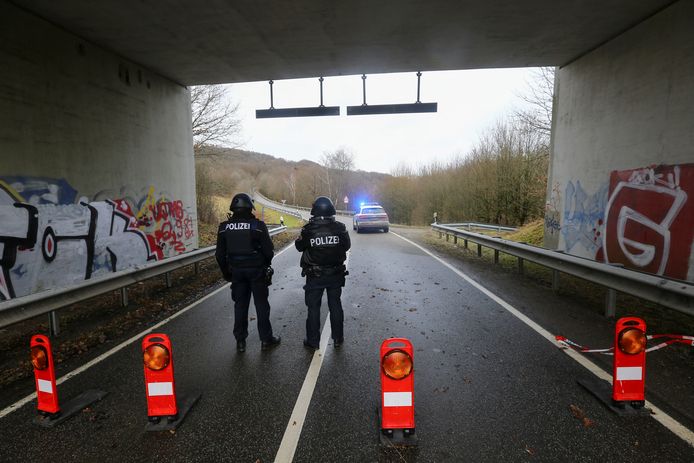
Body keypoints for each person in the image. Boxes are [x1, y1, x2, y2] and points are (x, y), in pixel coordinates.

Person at [215, 193, 281, 352]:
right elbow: (269, 251)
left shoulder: (224, 228)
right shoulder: (258, 226)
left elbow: (219, 255)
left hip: (236, 272)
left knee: (240, 306)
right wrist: (265, 265)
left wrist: (227, 273)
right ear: (250, 208)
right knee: (261, 306)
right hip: (257, 272)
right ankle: (266, 340)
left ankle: (240, 342)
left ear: (233, 208)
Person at [295, 196, 351, 349]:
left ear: (315, 211)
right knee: (335, 305)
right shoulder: (340, 228)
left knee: (313, 308)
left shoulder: (308, 229)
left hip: (315, 276)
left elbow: (299, 246)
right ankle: (338, 339)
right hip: (335, 274)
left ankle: (313, 342)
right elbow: (346, 246)